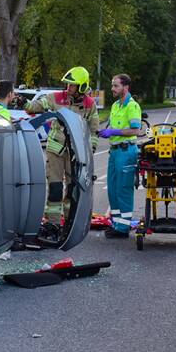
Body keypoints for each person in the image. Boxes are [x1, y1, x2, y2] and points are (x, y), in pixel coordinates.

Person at [26, 67, 99, 238]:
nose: (68, 89)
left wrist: (91, 150)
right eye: (67, 85)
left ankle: (70, 222)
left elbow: (94, 130)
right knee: (55, 188)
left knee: (73, 190)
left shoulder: (89, 104)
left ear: (82, 87)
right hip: (56, 150)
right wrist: (25, 103)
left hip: (76, 153)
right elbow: (38, 106)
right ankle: (52, 224)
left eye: (72, 85)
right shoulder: (57, 97)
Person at [98, 73, 142, 238]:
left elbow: (135, 130)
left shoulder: (132, 106)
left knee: (123, 190)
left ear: (126, 87)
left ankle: (123, 229)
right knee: (113, 189)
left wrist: (114, 132)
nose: (112, 89)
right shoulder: (116, 105)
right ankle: (117, 223)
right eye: (112, 85)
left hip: (126, 151)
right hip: (115, 151)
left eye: (116, 85)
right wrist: (105, 132)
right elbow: (112, 126)